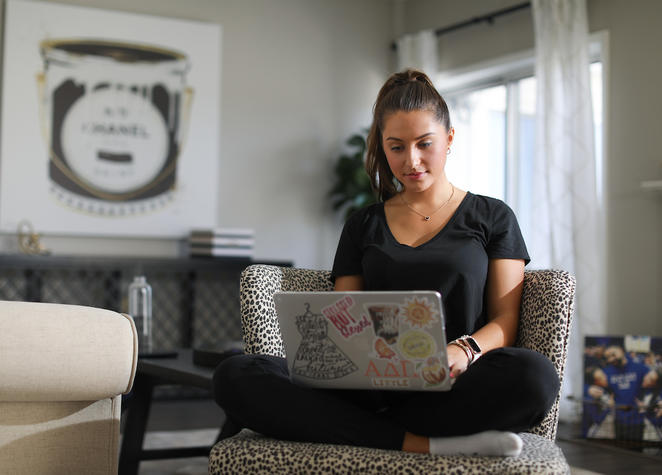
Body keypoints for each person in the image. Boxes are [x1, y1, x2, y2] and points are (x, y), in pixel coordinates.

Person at [213, 69, 560, 457]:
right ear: (383, 146)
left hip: (455, 386)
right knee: (235, 375)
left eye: (424, 144)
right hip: (371, 389)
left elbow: (506, 321)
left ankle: (366, 434)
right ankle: (419, 444)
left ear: (449, 139)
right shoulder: (363, 224)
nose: (411, 160)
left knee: (535, 376)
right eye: (396, 147)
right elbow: (344, 318)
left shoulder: (493, 216)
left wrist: (463, 350)